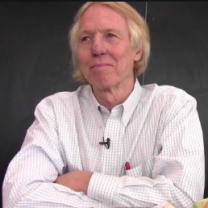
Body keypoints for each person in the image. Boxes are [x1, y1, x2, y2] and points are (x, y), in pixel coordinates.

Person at [3, 2, 205, 208]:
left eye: (110, 35)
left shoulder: (173, 107)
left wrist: (85, 181)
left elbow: (183, 197)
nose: (97, 48)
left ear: (138, 51)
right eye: (86, 38)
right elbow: (19, 196)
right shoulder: (54, 111)